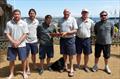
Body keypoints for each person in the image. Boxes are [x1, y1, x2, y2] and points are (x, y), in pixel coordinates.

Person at [4, 9, 29, 79]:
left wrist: (18, 42)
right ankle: (11, 74)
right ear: (13, 15)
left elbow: (25, 34)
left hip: (22, 45)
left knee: (23, 59)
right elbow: (7, 34)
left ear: (20, 15)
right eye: (15, 14)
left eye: (18, 14)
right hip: (11, 45)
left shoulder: (24, 23)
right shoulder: (9, 23)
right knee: (11, 60)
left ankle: (24, 72)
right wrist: (13, 42)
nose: (16, 15)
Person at [58, 9, 78, 77]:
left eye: (67, 13)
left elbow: (75, 30)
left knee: (71, 54)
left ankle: (71, 68)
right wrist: (58, 32)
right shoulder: (60, 20)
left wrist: (67, 33)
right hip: (62, 39)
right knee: (64, 54)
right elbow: (59, 28)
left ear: (69, 13)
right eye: (65, 13)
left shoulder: (73, 19)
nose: (66, 14)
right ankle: (65, 66)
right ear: (63, 13)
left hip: (70, 39)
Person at [24, 8, 39, 75]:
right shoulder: (25, 21)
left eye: (33, 13)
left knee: (34, 54)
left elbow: (38, 30)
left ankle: (34, 64)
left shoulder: (37, 21)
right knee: (27, 55)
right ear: (28, 14)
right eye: (30, 13)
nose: (32, 14)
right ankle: (28, 68)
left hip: (34, 41)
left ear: (35, 14)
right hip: (26, 41)